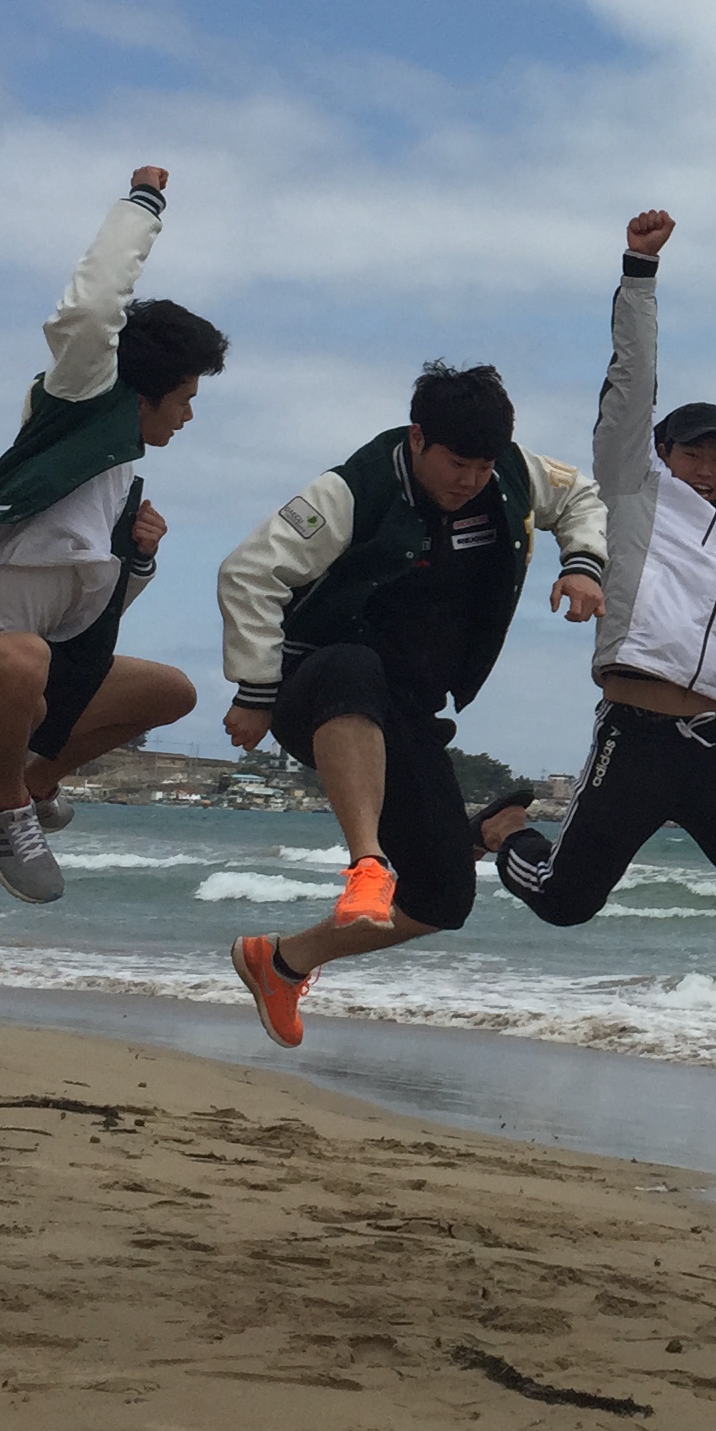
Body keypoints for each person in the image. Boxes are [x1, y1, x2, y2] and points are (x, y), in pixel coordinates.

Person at [217, 361, 607, 1045]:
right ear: (419, 438)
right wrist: (254, 690)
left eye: (484, 466)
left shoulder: (512, 474)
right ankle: (366, 864)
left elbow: (581, 495)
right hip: (317, 683)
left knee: (443, 898)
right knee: (355, 665)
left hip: (406, 709)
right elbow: (249, 573)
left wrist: (581, 561)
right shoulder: (351, 489)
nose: (471, 480)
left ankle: (280, 963)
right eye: (458, 464)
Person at [0, 166, 223, 901]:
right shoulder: (80, 404)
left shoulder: (120, 482)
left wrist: (138, 560)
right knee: (22, 654)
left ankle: (31, 784)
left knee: (171, 692)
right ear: (146, 389)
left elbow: (89, 617)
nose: (189, 415)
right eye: (185, 397)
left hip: (40, 676)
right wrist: (144, 204)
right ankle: (8, 810)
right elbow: (93, 307)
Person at [493, 211, 716, 945]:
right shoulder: (633, 492)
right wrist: (640, 274)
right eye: (691, 453)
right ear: (663, 452)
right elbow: (631, 385)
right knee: (565, 899)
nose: (705, 469)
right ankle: (503, 828)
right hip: (634, 731)